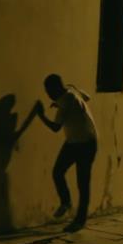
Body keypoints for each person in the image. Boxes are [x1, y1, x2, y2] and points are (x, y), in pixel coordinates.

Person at [34, 73, 98, 232]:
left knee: (82, 182)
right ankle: (66, 202)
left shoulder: (65, 101)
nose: (48, 95)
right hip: (75, 141)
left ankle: (79, 220)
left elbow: (55, 128)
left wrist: (40, 115)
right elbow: (87, 97)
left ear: (56, 88)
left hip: (85, 144)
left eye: (49, 91)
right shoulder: (71, 91)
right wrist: (62, 106)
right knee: (58, 172)